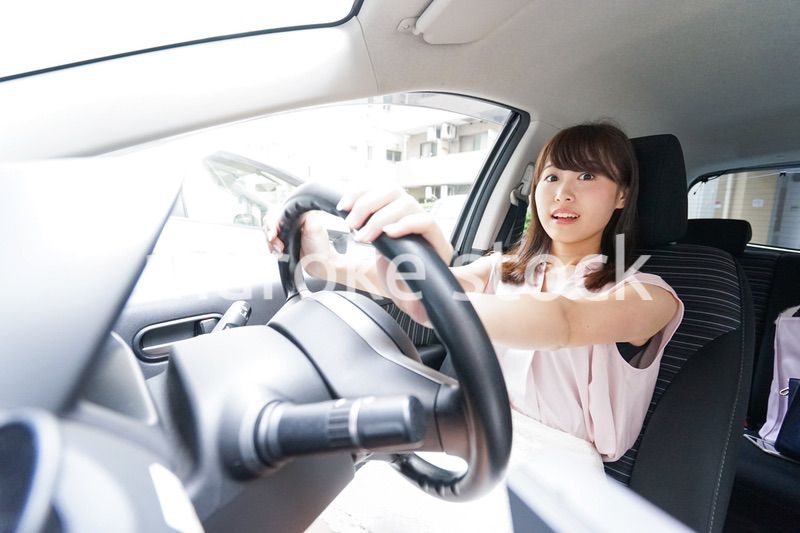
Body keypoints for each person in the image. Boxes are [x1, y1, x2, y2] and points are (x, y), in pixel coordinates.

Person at [265, 123, 684, 532]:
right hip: (469, 433)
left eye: (587, 175)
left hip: (558, 470)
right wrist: (321, 253)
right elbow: (420, 288)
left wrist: (437, 297)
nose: (562, 192)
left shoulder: (647, 295)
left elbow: (565, 322)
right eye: (551, 176)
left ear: (622, 195)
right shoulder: (502, 268)